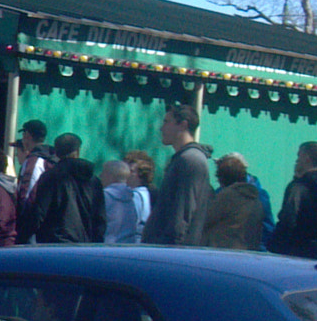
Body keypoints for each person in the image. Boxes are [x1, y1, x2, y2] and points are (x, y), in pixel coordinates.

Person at [144, 104, 213, 245]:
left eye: (166, 122)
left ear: (183, 125)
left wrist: (170, 247)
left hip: (171, 253)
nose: (161, 128)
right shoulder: (184, 159)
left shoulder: (190, 160)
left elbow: (183, 213)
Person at [21, 132, 104, 244]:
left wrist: (22, 238)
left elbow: (38, 213)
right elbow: (100, 219)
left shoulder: (50, 177)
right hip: (85, 246)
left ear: (56, 153)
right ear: (78, 151)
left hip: (55, 245)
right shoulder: (94, 181)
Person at [270, 141, 317, 259]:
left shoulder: (299, 187)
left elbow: (288, 218)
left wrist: (277, 244)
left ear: (307, 158)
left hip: (294, 251)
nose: (296, 160)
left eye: (299, 156)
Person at [199, 153, 266, 250]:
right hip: (247, 253)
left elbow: (206, 220)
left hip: (222, 252)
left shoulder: (227, 197)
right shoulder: (256, 200)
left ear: (222, 178)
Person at [13, 118, 52, 207]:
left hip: (32, 217)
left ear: (27, 135)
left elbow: (28, 195)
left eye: (23, 134)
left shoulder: (33, 162)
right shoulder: (50, 157)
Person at [101, 160, 142, 244]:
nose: (100, 175)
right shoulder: (133, 197)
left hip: (107, 247)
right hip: (129, 246)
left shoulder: (104, 196)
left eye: (103, 172)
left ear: (110, 176)